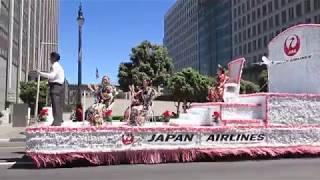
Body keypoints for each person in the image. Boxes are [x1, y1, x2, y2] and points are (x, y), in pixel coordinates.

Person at [38, 52, 65, 126]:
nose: (49, 59)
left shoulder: (55, 66)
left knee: (55, 104)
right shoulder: (59, 66)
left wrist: (40, 73)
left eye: (50, 57)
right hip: (60, 86)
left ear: (53, 58)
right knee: (59, 105)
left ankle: (56, 122)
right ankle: (59, 120)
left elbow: (52, 76)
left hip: (56, 87)